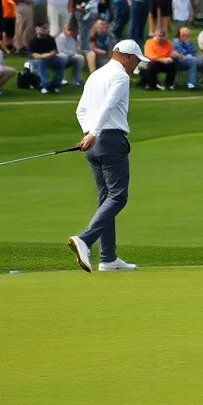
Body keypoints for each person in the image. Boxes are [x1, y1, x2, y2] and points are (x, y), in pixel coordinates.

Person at [68, 38, 148, 273]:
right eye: (136, 61)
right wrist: (94, 132)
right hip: (110, 140)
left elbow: (80, 110)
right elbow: (108, 105)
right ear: (127, 57)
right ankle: (85, 239)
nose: (136, 66)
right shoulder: (121, 76)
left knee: (106, 198)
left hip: (92, 144)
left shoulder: (95, 75)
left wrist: (88, 133)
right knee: (118, 196)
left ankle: (108, 257)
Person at [28, 23, 65, 93]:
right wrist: (45, 56)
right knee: (41, 62)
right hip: (35, 60)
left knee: (61, 61)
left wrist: (49, 54)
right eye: (40, 28)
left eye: (44, 28)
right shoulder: (32, 41)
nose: (43, 29)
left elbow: (54, 51)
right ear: (36, 29)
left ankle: (54, 85)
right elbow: (35, 55)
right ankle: (43, 85)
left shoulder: (50, 39)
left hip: (49, 58)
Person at [54, 21, 86, 86]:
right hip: (60, 57)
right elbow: (60, 51)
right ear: (64, 29)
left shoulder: (72, 38)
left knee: (80, 58)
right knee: (63, 57)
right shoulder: (60, 38)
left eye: (71, 29)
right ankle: (61, 78)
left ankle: (76, 79)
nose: (70, 31)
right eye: (68, 29)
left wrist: (77, 52)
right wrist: (74, 53)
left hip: (70, 56)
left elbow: (74, 50)